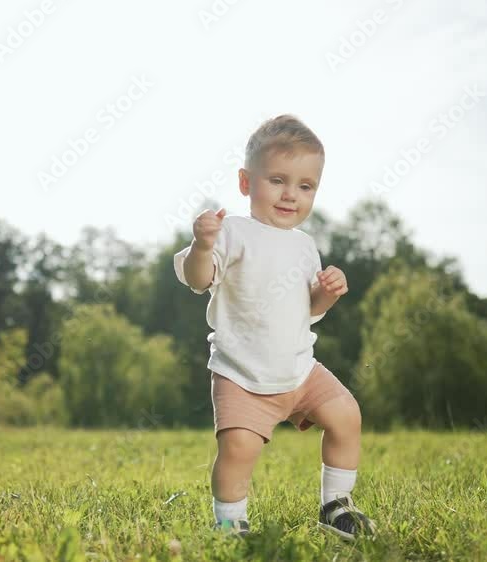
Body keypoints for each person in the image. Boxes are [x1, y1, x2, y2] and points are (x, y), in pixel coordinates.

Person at [173, 114, 375, 540]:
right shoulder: (233, 232)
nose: (290, 195)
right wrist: (203, 246)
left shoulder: (305, 245)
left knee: (346, 416)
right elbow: (197, 279)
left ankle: (337, 506)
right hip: (242, 373)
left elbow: (309, 309)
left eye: (305, 186)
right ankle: (230, 523)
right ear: (246, 182)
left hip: (300, 370)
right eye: (278, 180)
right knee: (239, 448)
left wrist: (327, 293)